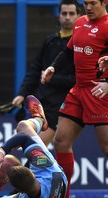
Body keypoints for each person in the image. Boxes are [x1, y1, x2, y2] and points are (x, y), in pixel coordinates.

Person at [41, 0, 108, 198]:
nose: (88, 7)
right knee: (61, 140)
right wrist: (53, 66)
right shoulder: (80, 23)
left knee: (107, 147)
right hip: (78, 91)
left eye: (93, 3)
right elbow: (69, 52)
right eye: (85, 3)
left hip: (100, 92)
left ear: (104, 2)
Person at [12, 0, 80, 146]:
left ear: (78, 16)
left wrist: (51, 79)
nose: (67, 17)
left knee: (35, 149)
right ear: (59, 15)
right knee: (26, 147)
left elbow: (77, 79)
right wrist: (22, 93)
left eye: (71, 13)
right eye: (64, 13)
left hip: (62, 105)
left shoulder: (81, 45)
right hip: (40, 102)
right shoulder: (50, 40)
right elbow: (35, 69)